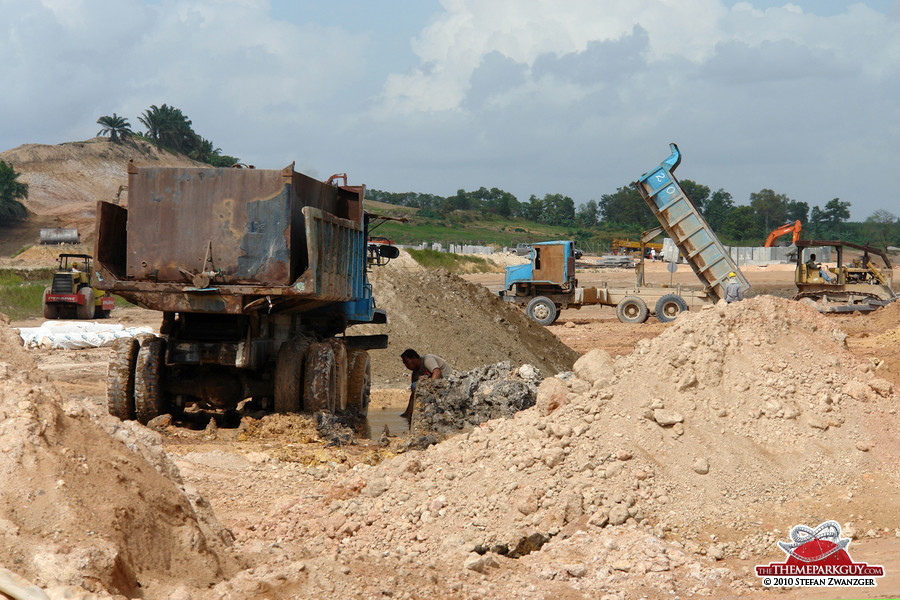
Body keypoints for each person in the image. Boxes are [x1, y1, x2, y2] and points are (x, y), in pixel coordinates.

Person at [400, 349, 453, 419]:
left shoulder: (427, 359)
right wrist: (407, 412)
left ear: (414, 358)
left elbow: (436, 372)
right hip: (437, 387)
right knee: (414, 386)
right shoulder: (415, 374)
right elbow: (414, 394)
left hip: (448, 383)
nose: (406, 366)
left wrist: (431, 393)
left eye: (406, 362)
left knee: (416, 385)